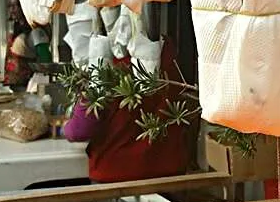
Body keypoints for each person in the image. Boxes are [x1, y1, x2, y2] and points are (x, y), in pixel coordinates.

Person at [64, 38, 190, 184]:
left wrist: (65, 129)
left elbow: (80, 130)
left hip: (116, 177)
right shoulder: (169, 55)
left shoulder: (104, 64)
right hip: (170, 173)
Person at [4, 0, 51, 89]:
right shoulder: (17, 29)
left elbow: (45, 59)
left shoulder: (36, 31)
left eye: (14, 6)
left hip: (27, 85)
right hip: (14, 84)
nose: (11, 10)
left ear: (24, 7)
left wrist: (39, 80)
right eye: (10, 6)